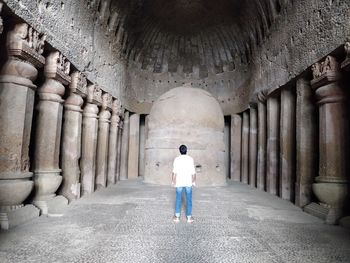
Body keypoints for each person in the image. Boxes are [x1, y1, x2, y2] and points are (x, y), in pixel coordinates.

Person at [171, 144, 196, 223]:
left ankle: (177, 217)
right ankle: (189, 217)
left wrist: (173, 181)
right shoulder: (190, 159)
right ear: (186, 150)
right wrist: (193, 181)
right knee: (189, 199)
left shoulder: (176, 159)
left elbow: (174, 172)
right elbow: (193, 172)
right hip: (188, 181)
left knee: (178, 199)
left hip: (179, 182)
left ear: (180, 151)